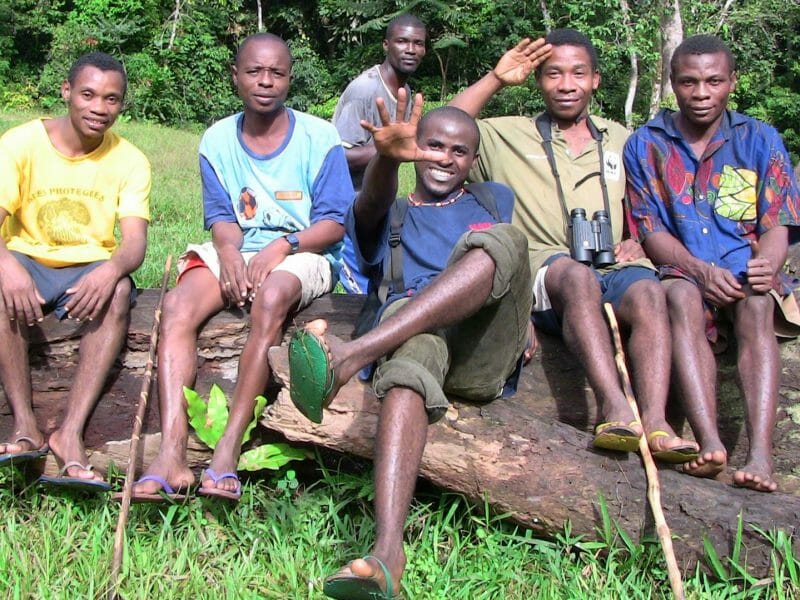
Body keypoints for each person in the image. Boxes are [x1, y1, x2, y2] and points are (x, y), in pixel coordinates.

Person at [288, 91, 533, 599]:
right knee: (406, 350)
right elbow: (370, 202)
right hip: (417, 341)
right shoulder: (394, 212)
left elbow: (503, 269)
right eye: (433, 145)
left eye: (459, 150)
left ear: (473, 159)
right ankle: (386, 553)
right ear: (415, 148)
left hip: (482, 348)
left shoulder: (493, 200)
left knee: (501, 241)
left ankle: (352, 355)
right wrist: (383, 159)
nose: (445, 157)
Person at [449, 29, 698, 459]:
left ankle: (656, 423)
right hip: (549, 270)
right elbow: (440, 129)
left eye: (578, 73)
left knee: (649, 292)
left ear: (596, 80)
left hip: (613, 266)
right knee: (575, 276)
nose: (566, 85)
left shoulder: (623, 138)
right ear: (538, 80)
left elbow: (652, 206)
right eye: (553, 74)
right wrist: (495, 78)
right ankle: (614, 406)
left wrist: (638, 240)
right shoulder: (508, 134)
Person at [128, 33, 353, 502]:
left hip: (305, 250)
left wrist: (281, 247)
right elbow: (222, 218)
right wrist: (229, 254)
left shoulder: (319, 136)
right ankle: (171, 451)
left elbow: (333, 224)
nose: (266, 81)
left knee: (270, 298)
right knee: (176, 306)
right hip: (242, 248)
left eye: (277, 73)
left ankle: (228, 446)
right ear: (235, 76)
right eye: (254, 72)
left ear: (290, 78)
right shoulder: (216, 139)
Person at [624, 34, 800, 492]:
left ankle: (761, 456)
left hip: (745, 268)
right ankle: (710, 444)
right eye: (688, 82)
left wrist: (770, 262)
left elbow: (777, 218)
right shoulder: (645, 144)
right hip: (682, 268)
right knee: (679, 299)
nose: (701, 93)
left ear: (731, 82)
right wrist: (700, 272)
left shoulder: (759, 138)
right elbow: (650, 230)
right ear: (672, 83)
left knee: (758, 305)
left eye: (713, 81)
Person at [0, 52, 150, 491]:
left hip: (88, 266)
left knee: (120, 290)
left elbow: (135, 243)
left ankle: (70, 433)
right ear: (66, 92)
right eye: (87, 94)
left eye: (111, 99)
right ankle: (24, 425)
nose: (98, 108)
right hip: (27, 257)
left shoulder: (130, 160)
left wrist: (112, 270)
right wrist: (7, 263)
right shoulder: (21, 143)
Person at [334, 13, 427, 294]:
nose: (410, 49)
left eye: (418, 43)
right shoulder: (365, 89)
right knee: (364, 296)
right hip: (349, 209)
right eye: (402, 41)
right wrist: (386, 148)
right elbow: (336, 158)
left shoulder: (404, 91)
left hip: (378, 201)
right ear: (386, 45)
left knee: (387, 288)